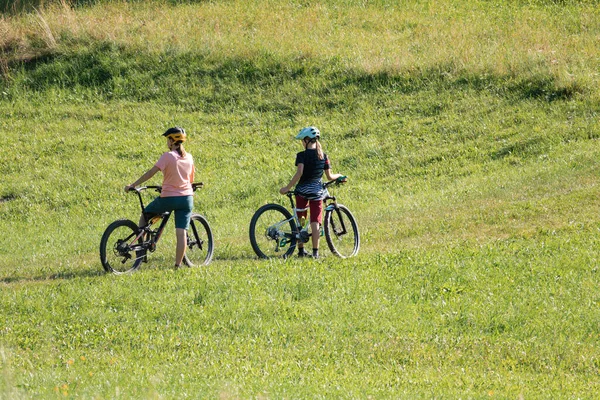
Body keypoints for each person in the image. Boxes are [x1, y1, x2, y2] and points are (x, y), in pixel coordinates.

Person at [124, 127, 195, 268]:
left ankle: (141, 252)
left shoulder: (167, 156)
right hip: (186, 199)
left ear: (171, 140)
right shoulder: (189, 157)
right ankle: (177, 265)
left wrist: (133, 184)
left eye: (167, 139)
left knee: (145, 216)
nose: (166, 142)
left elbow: (151, 173)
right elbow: (190, 179)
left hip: (168, 199)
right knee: (181, 233)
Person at [280, 126, 346, 259]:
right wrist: (339, 175)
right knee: (315, 222)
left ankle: (301, 251)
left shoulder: (302, 155)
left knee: (301, 220)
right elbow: (329, 176)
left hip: (301, 191)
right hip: (316, 192)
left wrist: (287, 187)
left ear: (306, 140)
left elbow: (299, 173)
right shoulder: (324, 156)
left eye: (302, 141)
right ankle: (315, 253)